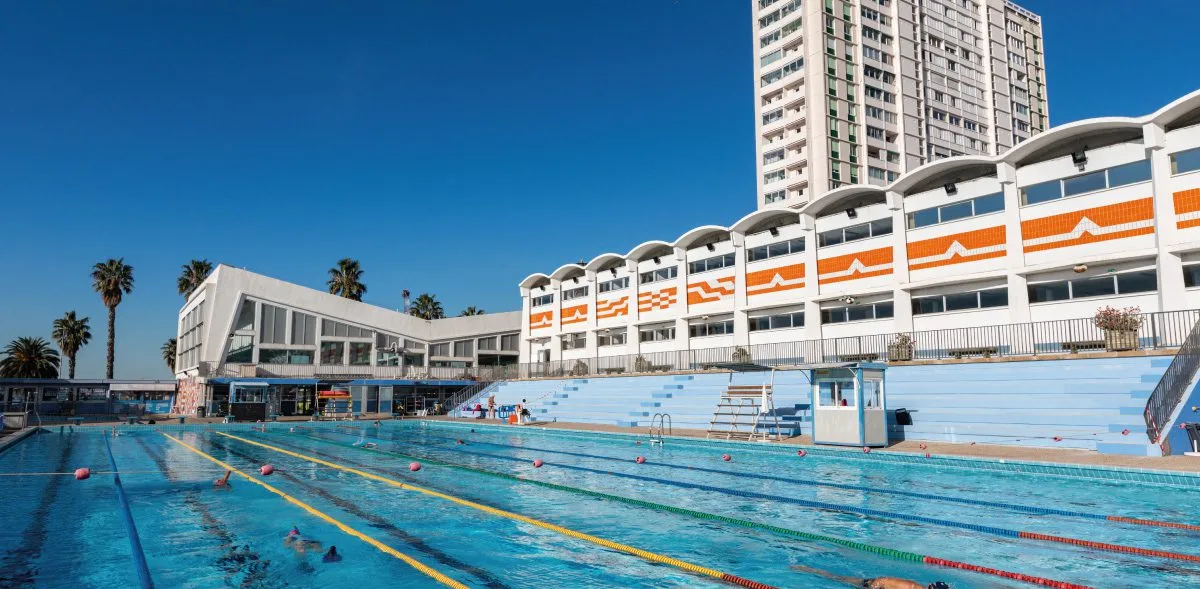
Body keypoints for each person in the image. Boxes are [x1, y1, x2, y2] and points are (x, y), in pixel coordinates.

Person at [790, 564, 946, 589]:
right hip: (871, 585)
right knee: (834, 578)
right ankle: (806, 569)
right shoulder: (911, 587)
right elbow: (883, 580)